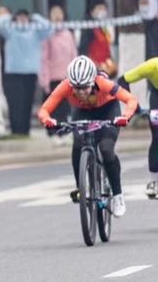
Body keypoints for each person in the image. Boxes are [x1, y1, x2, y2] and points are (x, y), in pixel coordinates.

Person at [38, 56, 137, 218]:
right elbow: (44, 109)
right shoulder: (65, 86)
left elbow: (130, 99)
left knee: (106, 149)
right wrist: (47, 120)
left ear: (93, 81)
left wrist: (125, 116)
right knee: (78, 143)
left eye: (85, 87)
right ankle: (80, 188)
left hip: (107, 109)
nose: (81, 92)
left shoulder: (104, 84)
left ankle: (118, 195)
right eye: (76, 88)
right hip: (82, 111)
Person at [0, 7, 52, 136]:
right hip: (14, 72)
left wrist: (36, 16)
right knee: (15, 103)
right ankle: (15, 129)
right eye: (20, 16)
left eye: (25, 16)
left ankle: (25, 130)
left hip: (30, 72)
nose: (22, 19)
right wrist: (8, 17)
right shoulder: (11, 31)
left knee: (27, 103)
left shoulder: (35, 31)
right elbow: (0, 23)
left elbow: (49, 28)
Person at [38, 6, 79, 145]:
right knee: (53, 108)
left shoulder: (68, 34)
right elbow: (44, 58)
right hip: (53, 78)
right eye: (54, 15)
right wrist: (45, 79)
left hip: (66, 78)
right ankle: (52, 132)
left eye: (59, 15)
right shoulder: (47, 36)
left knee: (65, 108)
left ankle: (63, 131)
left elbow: (74, 54)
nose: (57, 18)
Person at [118, 58, 158, 198]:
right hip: (157, 96)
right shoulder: (152, 66)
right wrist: (134, 107)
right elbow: (122, 80)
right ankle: (154, 181)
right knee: (157, 138)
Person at [79, 3, 116, 77]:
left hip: (106, 66)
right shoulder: (88, 27)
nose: (102, 11)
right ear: (92, 11)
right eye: (99, 8)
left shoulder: (105, 27)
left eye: (104, 9)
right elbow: (83, 48)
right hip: (93, 67)